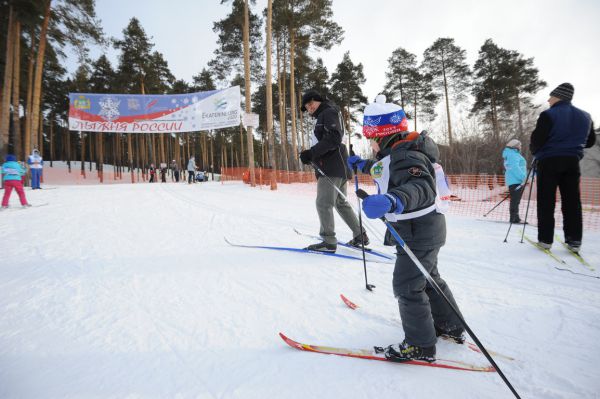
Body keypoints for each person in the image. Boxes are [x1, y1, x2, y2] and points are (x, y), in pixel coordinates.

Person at [347, 95, 464, 363]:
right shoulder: (400, 152)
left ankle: (420, 346)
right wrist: (363, 165)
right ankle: (450, 325)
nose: (371, 144)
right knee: (429, 278)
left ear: (383, 135)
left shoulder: (407, 155)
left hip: (418, 230)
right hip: (425, 228)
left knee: (408, 286)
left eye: (372, 138)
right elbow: (387, 169)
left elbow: (421, 186)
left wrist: (393, 199)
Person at [298, 89, 368, 252]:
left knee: (323, 203)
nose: (309, 108)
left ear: (318, 100)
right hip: (338, 166)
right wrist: (311, 156)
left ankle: (328, 241)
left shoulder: (327, 112)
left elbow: (334, 138)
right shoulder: (328, 113)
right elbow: (330, 139)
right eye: (306, 107)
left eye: (310, 104)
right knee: (340, 202)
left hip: (331, 166)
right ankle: (360, 235)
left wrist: (312, 153)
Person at [530, 83, 596, 253]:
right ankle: (574, 240)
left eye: (551, 96)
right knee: (572, 202)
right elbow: (590, 142)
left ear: (559, 96)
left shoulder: (548, 115)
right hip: (572, 162)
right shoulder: (586, 116)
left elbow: (537, 140)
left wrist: (536, 152)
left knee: (546, 201)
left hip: (549, 161)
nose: (548, 99)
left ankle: (545, 240)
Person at [502, 139, 527, 223]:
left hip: (515, 180)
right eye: (519, 145)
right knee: (515, 200)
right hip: (516, 180)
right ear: (515, 146)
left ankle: (515, 217)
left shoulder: (511, 154)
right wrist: (523, 177)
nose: (520, 147)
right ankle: (514, 218)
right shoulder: (513, 155)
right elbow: (515, 168)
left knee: (515, 200)